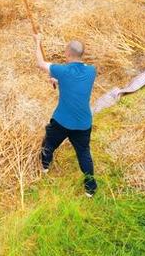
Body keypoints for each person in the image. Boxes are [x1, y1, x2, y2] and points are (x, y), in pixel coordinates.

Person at [33, 33, 98, 197]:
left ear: (67, 54)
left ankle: (45, 166)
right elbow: (76, 84)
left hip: (62, 121)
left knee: (49, 143)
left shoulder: (61, 70)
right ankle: (90, 187)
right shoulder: (91, 71)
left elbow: (40, 63)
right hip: (83, 123)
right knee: (84, 154)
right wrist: (59, 81)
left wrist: (37, 41)